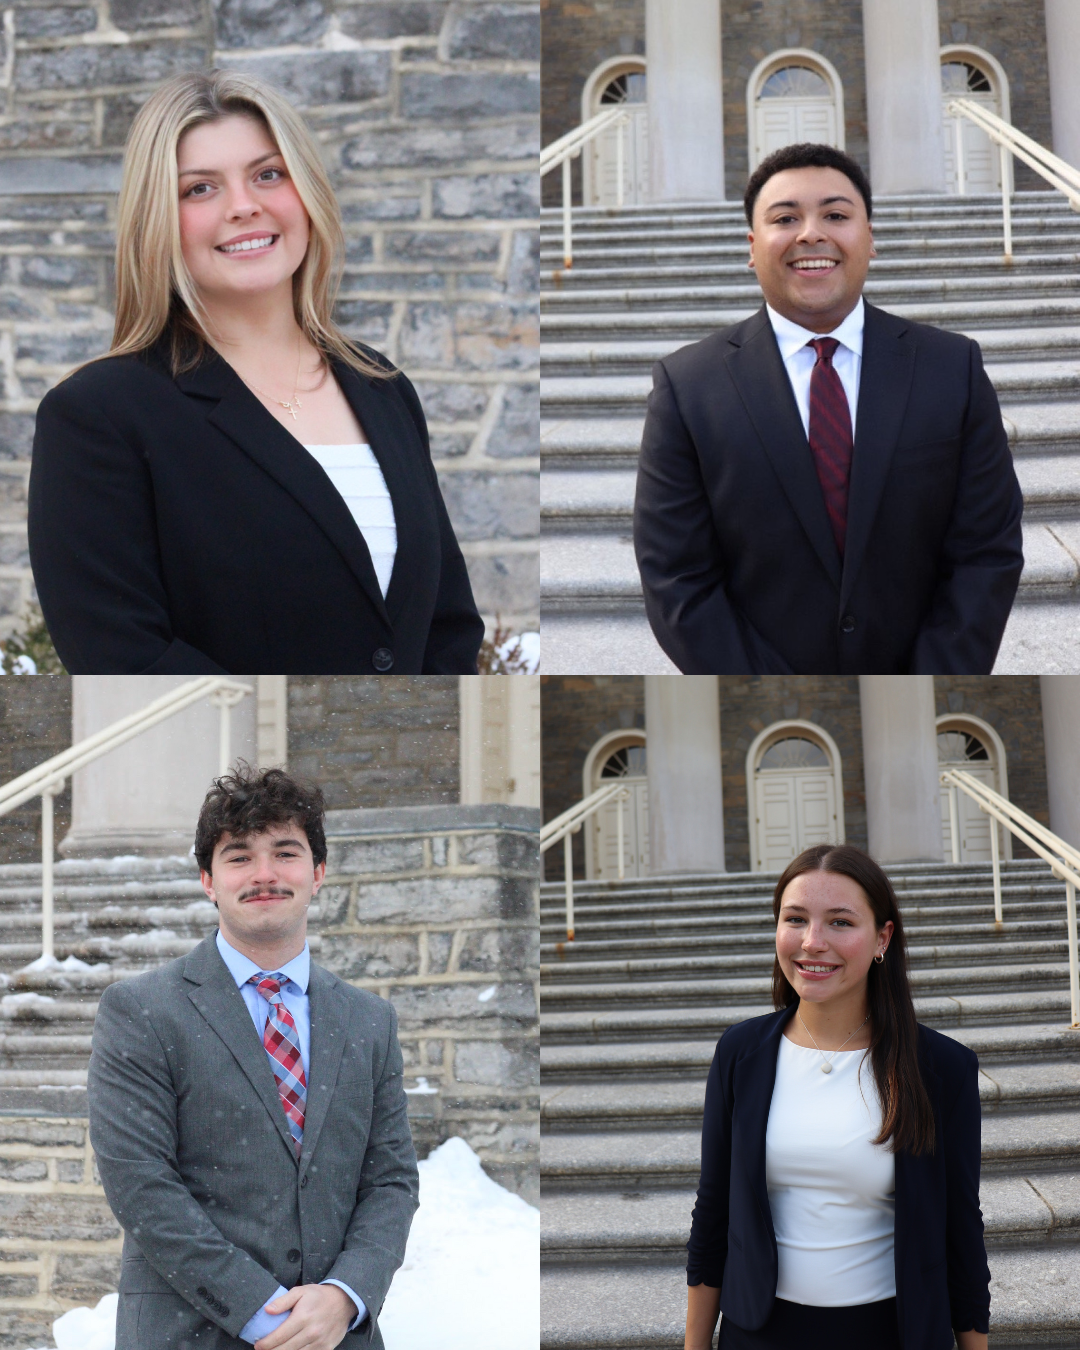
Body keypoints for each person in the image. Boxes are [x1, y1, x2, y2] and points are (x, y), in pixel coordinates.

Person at [28, 69, 484, 674]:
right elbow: (121, 654)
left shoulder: (383, 387)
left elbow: (446, 624)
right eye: (199, 189)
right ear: (156, 217)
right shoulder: (100, 414)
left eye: (268, 174)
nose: (244, 207)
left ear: (307, 192)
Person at [633, 142, 1023, 674]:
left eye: (836, 215)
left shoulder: (952, 367)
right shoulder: (687, 386)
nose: (810, 233)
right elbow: (676, 578)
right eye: (785, 217)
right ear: (752, 246)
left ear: (869, 240)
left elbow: (986, 551)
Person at [87, 766, 418, 1349]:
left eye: (285, 853)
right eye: (239, 856)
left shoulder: (371, 1020)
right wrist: (265, 1314)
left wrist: (346, 1295)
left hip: (338, 1336)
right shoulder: (139, 1010)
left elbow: (390, 1181)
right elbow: (141, 1184)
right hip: (190, 1332)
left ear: (318, 874)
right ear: (208, 881)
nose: (264, 875)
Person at [684, 843, 990, 1350]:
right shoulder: (741, 1053)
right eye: (795, 919)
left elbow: (961, 1229)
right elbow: (713, 1212)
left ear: (882, 938)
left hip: (891, 1334)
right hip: (758, 1333)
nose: (812, 942)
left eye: (841, 922)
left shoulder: (941, 1068)